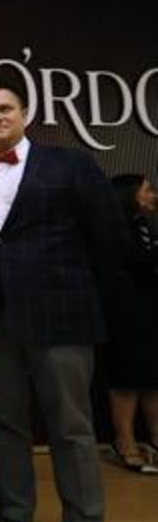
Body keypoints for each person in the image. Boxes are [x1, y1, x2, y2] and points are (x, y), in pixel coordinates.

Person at [0, 78, 122, 522]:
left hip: (63, 316)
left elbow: (108, 238)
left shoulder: (70, 163)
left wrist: (86, 298)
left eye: (4, 108)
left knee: (71, 427)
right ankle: (15, 516)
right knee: (7, 426)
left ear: (24, 114)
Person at [103, 174, 158, 474]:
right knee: (127, 377)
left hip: (148, 311)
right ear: (132, 196)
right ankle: (124, 442)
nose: (153, 195)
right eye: (148, 190)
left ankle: (154, 438)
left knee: (152, 376)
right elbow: (138, 262)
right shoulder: (116, 228)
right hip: (125, 313)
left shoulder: (144, 224)